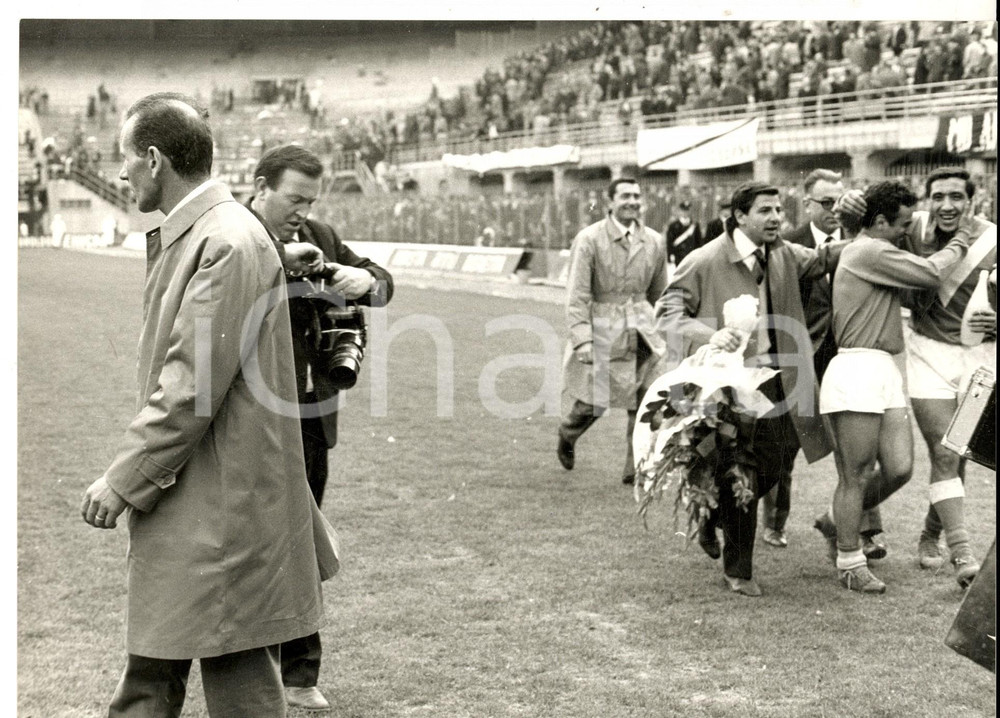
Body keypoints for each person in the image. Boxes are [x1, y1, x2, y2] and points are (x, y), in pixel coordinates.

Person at [80, 92, 337, 718]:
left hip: (219, 506)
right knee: (178, 669)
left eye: (124, 160)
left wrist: (124, 479)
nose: (119, 175)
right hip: (209, 499)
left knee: (214, 673)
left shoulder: (224, 240)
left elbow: (189, 388)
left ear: (153, 159)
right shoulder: (219, 234)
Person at [248, 144, 393, 711]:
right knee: (252, 543)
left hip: (310, 417)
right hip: (250, 417)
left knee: (304, 543)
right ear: (259, 186)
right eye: (293, 198)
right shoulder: (232, 233)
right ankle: (245, 665)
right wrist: (285, 260)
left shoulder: (323, 233)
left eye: (311, 200)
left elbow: (381, 282)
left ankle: (301, 674)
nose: (303, 210)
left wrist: (361, 279)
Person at [656, 182, 842, 597]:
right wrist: (708, 335)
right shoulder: (704, 259)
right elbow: (667, 311)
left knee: (774, 466)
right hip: (729, 385)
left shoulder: (785, 255)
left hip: (779, 382)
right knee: (741, 469)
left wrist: (864, 228)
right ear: (740, 216)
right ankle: (738, 570)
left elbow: (829, 257)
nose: (776, 217)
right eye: (765, 210)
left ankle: (711, 514)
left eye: (779, 210)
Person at [845, 168, 996, 586]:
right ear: (927, 199)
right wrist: (850, 204)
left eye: (956, 197)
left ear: (972, 199)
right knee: (945, 452)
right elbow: (864, 232)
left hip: (981, 362)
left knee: (958, 451)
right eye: (939, 197)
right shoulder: (911, 230)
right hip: (927, 355)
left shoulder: (993, 238)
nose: (947, 206)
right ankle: (963, 555)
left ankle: (931, 535)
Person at [818, 180, 971, 593]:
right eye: (903, 224)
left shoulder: (878, 253)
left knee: (900, 468)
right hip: (856, 369)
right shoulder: (869, 249)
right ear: (880, 221)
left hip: (884, 368)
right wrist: (963, 238)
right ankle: (849, 560)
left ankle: (836, 521)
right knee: (857, 473)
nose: (909, 232)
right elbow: (932, 272)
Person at [777, 169, 888, 556]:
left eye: (839, 202)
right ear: (806, 203)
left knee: (857, 450)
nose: (833, 210)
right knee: (787, 444)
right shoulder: (786, 244)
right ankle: (775, 521)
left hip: (846, 357)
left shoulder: (862, 244)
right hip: (801, 360)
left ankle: (863, 530)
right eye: (825, 203)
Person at [557, 177, 668, 486]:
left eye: (636, 195)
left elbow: (661, 292)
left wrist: (667, 329)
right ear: (609, 202)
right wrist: (582, 339)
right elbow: (577, 294)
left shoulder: (655, 240)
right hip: (606, 327)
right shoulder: (589, 239)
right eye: (625, 196)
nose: (632, 201)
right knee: (596, 400)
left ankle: (635, 467)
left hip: (644, 329)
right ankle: (568, 432)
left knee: (646, 399)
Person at [665, 199, 704, 266]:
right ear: (680, 211)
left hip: (692, 256)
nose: (685, 213)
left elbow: (698, 242)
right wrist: (670, 256)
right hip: (678, 256)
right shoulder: (673, 226)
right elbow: (669, 242)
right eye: (683, 210)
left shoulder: (695, 225)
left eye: (687, 210)